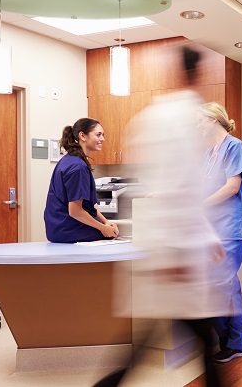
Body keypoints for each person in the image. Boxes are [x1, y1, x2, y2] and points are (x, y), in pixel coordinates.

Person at [96, 47, 233, 387]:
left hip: (165, 245)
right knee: (196, 336)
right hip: (174, 251)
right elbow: (179, 189)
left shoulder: (152, 116)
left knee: (159, 336)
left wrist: (205, 238)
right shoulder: (183, 120)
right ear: (197, 73)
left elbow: (173, 188)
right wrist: (179, 253)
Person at [198, 101, 242, 363]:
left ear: (212, 120)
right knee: (222, 283)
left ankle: (233, 342)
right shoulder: (210, 153)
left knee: (222, 283)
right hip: (214, 227)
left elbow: (232, 187)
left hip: (232, 225)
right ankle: (231, 340)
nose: (197, 127)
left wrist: (201, 205)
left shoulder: (234, 146)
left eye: (199, 121)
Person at [44, 118, 119, 243]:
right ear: (82, 136)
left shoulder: (70, 160)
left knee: (110, 231)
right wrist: (103, 228)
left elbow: (87, 207)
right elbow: (75, 211)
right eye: (98, 135)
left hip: (58, 227)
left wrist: (106, 222)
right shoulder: (78, 167)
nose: (103, 139)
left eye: (103, 135)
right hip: (67, 229)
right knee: (112, 236)